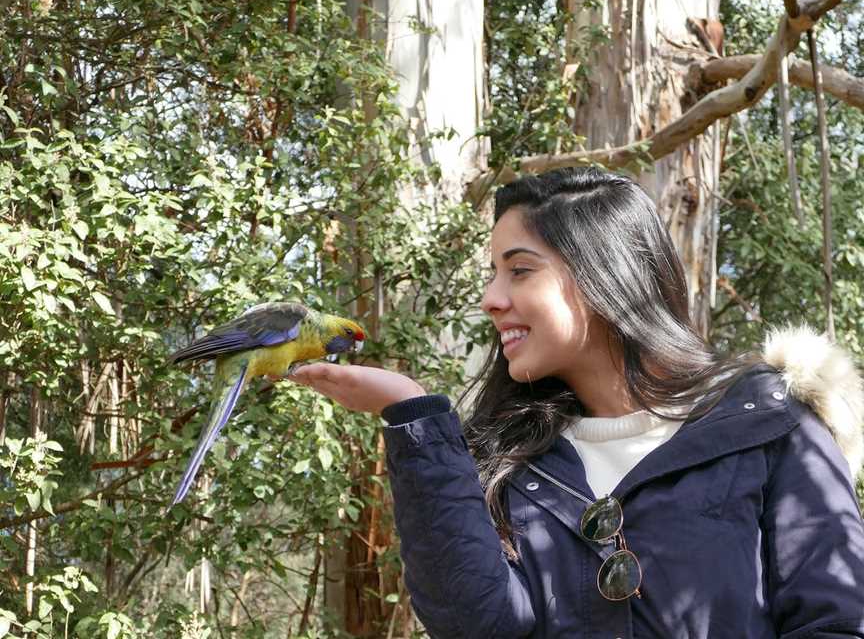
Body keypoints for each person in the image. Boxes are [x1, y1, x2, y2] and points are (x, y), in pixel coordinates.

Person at [283, 167, 864, 638]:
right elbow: (477, 626)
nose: (491, 299)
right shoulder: (518, 462)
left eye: (519, 270)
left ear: (601, 274)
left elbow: (837, 622)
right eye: (493, 274)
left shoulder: (768, 423)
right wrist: (414, 416)